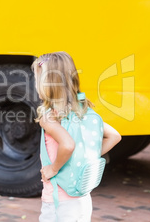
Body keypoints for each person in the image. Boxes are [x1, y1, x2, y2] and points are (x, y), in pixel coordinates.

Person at [31, 52, 121, 222]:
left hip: (59, 201)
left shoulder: (50, 117)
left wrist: (54, 168)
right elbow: (114, 136)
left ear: (47, 84)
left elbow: (68, 145)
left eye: (37, 80)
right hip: (82, 197)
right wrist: (87, 156)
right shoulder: (83, 111)